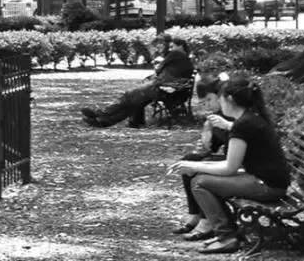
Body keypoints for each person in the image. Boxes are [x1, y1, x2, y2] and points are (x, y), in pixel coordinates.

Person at [166, 75, 290, 254]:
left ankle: (227, 237)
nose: (219, 101)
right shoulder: (249, 118)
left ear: (229, 99)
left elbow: (229, 168)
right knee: (200, 177)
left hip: (267, 185)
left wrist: (193, 166)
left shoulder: (243, 125)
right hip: (265, 179)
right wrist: (191, 164)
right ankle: (226, 231)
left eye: (220, 97)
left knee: (199, 182)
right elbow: (230, 164)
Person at [80, 37, 195, 128]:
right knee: (135, 101)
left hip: (161, 88)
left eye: (172, 46)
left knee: (129, 95)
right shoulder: (185, 59)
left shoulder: (176, 54)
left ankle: (102, 114)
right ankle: (106, 121)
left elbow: (159, 69)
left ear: (180, 46)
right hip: (169, 90)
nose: (170, 49)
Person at [172, 73, 233, 239]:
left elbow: (239, 138)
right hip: (231, 159)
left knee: (199, 169)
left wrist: (223, 127)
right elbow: (214, 147)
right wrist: (205, 145)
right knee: (189, 160)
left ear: (220, 96)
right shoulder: (218, 116)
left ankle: (207, 221)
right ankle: (195, 214)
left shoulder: (233, 113)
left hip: (239, 163)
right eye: (204, 102)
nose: (207, 105)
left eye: (209, 100)